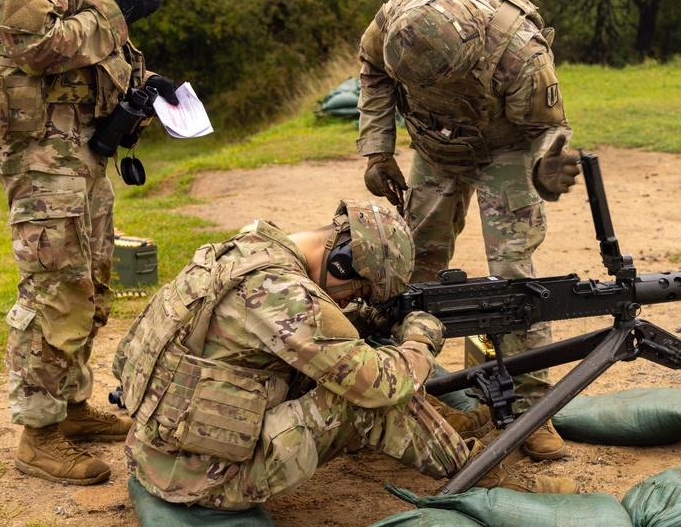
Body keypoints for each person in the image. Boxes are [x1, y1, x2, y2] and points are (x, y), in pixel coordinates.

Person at [113, 200, 578, 509]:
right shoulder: (285, 294)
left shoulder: (249, 249)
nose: (352, 300)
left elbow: (282, 340)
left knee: (351, 364)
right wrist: (419, 339)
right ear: (341, 261)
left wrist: (366, 321)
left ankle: (446, 429)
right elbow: (379, 385)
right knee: (364, 398)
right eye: (358, 288)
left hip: (161, 449)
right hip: (201, 478)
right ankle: (491, 480)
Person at [0, 0, 179, 485]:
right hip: (41, 149)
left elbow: (93, 50)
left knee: (90, 277)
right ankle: (37, 435)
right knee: (53, 284)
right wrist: (114, 7)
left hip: (77, 143)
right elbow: (37, 47)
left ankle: (72, 408)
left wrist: (142, 83)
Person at [356, 0, 581, 462]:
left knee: (514, 276)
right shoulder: (396, 18)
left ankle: (530, 408)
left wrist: (547, 166)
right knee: (410, 266)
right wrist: (377, 150)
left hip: (506, 149)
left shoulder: (519, 51)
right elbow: (372, 71)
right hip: (434, 145)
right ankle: (400, 392)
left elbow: (550, 130)